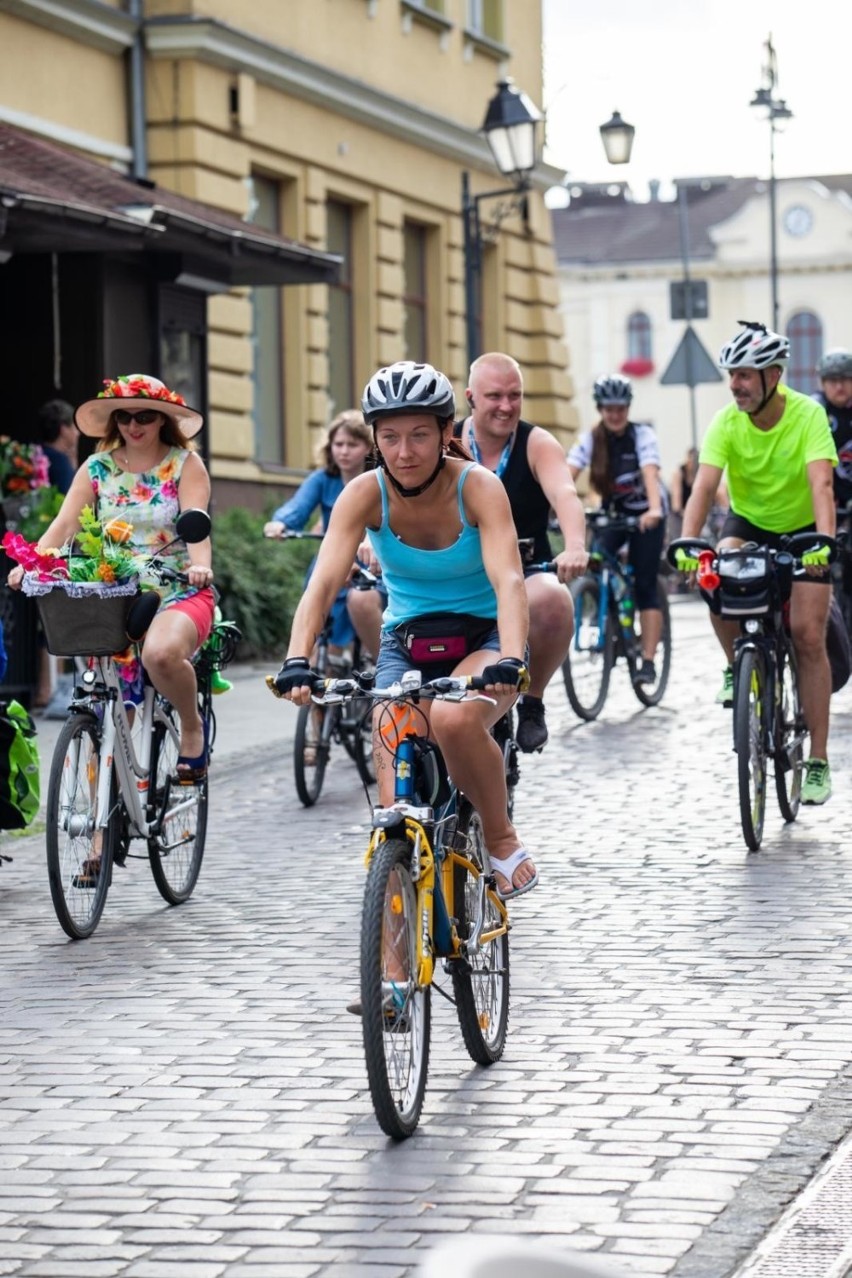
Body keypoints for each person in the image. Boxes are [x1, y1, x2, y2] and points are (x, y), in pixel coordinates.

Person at [270, 359, 537, 901]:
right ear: (374, 439)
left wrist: (511, 658)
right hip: (407, 642)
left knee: (454, 719)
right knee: (395, 807)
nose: (405, 451)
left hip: (484, 638)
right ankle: (393, 974)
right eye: (389, 437)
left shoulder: (478, 487)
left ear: (446, 432)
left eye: (419, 435)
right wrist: (298, 659)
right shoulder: (364, 494)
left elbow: (510, 580)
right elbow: (322, 585)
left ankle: (502, 838)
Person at [7, 374, 215, 790]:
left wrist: (200, 566)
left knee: (159, 654)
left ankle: (192, 727)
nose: (133, 425)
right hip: (111, 592)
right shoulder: (96, 467)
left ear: (162, 419)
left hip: (175, 588)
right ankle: (103, 822)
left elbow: (198, 526)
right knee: (107, 711)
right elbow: (64, 526)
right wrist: (32, 563)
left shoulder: (184, 464)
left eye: (144, 416)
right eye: (123, 417)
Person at [680, 322, 837, 805]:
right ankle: (737, 665)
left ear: (773, 375)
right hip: (748, 523)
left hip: (804, 529)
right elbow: (704, 488)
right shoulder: (726, 422)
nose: (735, 385)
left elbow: (822, 486)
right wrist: (688, 540)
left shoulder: (808, 415)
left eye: (745, 375)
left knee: (808, 637)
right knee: (714, 569)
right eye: (732, 375)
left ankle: (817, 759)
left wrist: (823, 544)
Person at [455, 352, 588, 753]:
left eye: (515, 395)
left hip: (527, 568)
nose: (506, 406)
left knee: (552, 599)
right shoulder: (448, 442)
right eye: (494, 396)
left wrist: (576, 546)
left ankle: (533, 701)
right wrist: (370, 541)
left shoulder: (536, 443)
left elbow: (565, 494)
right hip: (461, 574)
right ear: (471, 397)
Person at [567, 374, 668, 684]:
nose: (615, 414)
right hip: (614, 514)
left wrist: (653, 509)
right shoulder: (591, 439)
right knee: (597, 558)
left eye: (620, 408)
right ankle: (609, 612)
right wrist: (554, 507)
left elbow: (650, 473)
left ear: (628, 408)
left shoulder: (642, 436)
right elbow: (566, 475)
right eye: (609, 408)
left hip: (645, 517)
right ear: (600, 409)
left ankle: (648, 661)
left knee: (645, 584)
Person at [263, 409, 383, 661]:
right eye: (338, 444)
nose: (344, 451)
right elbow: (298, 507)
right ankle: (310, 667)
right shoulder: (322, 479)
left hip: (372, 558)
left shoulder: (378, 479)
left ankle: (381, 659)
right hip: (335, 556)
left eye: (353, 444)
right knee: (316, 594)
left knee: (364, 599)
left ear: (368, 447)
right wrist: (280, 523)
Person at [812, 348, 852, 512]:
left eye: (845, 379)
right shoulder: (813, 410)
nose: (839, 386)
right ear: (822, 383)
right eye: (832, 380)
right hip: (825, 496)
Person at [36, 399, 78, 495]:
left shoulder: (36, 455)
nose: (77, 433)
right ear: (63, 429)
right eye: (74, 427)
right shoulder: (60, 461)